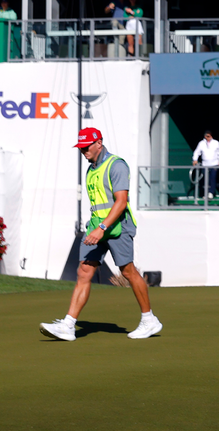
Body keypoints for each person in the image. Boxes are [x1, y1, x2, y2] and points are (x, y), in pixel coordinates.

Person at [39, 128, 161, 342]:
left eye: (86, 147)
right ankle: (68, 325)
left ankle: (149, 320)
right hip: (97, 227)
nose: (83, 151)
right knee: (84, 271)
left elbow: (121, 202)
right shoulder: (91, 169)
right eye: (80, 148)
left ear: (99, 143)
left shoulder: (117, 165)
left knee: (128, 271)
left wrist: (101, 228)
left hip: (117, 227)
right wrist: (95, 227)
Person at [192, 130, 219, 198]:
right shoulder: (201, 143)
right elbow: (197, 152)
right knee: (206, 179)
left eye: (210, 136)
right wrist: (195, 159)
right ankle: (206, 193)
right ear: (205, 136)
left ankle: (211, 193)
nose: (209, 137)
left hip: (214, 163)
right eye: (208, 136)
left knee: (213, 178)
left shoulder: (216, 143)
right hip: (205, 164)